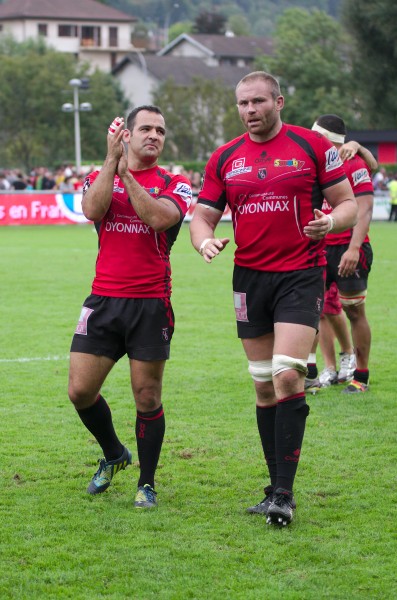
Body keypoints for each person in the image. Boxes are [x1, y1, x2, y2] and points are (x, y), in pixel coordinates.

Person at [189, 71, 357, 527]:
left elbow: (347, 203)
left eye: (259, 102)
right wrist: (203, 240)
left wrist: (332, 223)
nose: (250, 111)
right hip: (249, 280)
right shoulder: (225, 157)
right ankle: (273, 485)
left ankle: (284, 493)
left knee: (287, 377)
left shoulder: (311, 147)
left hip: (301, 276)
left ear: (279, 101)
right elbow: (202, 215)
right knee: (263, 383)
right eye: (243, 103)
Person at [68, 105, 192, 508]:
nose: (154, 135)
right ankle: (115, 453)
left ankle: (147, 482)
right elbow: (91, 210)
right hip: (103, 301)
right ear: (127, 135)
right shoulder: (101, 174)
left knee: (147, 397)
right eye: (146, 128)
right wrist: (111, 162)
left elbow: (159, 218)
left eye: (160, 129)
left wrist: (126, 176)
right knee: (80, 391)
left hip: (150, 305)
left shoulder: (176, 183)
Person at [311, 114, 374, 394]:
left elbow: (365, 208)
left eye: (317, 135)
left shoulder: (353, 162)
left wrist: (354, 248)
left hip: (349, 247)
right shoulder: (314, 162)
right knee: (318, 309)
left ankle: (361, 375)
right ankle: (319, 371)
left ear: (329, 140)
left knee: (354, 310)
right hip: (319, 247)